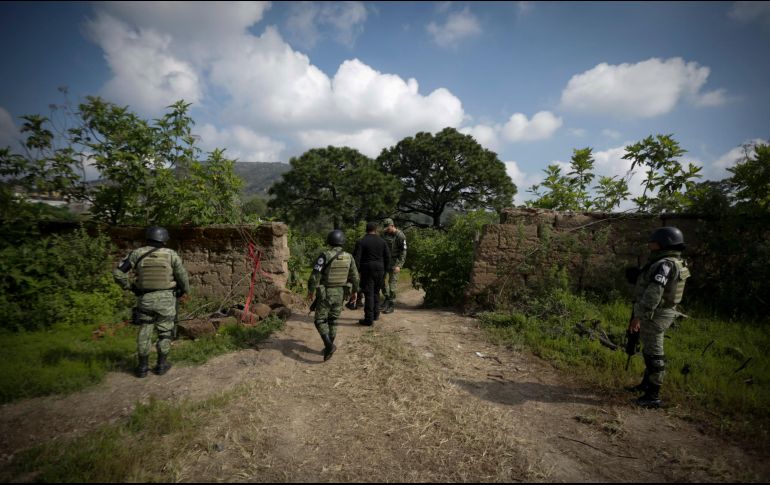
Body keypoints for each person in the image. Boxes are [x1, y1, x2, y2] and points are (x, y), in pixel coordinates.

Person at [626, 226, 691, 408]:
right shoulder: (673, 261)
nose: (650, 245)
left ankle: (653, 396)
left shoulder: (664, 264)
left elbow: (654, 293)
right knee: (649, 350)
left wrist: (638, 316)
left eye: (653, 242)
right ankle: (645, 385)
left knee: (654, 353)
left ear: (663, 244)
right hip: (660, 312)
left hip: (655, 314)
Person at [113, 226, 190, 378]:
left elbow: (118, 273)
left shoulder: (137, 253)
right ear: (164, 240)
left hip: (145, 300)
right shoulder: (171, 254)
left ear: (148, 238)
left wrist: (130, 287)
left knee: (145, 331)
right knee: (165, 332)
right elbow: (182, 276)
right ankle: (161, 365)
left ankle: (142, 368)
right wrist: (185, 290)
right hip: (166, 300)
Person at [307, 229, 360, 361]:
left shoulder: (325, 255)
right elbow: (355, 277)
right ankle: (329, 347)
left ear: (330, 241)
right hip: (341, 293)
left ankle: (329, 345)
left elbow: (315, 276)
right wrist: (355, 292)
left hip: (326, 294)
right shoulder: (349, 257)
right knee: (333, 319)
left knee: (319, 320)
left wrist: (310, 291)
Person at [353, 221, 391, 326]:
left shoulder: (361, 241)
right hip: (380, 269)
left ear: (366, 230)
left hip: (367, 269)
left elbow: (357, 258)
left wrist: (357, 271)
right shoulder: (382, 242)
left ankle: (368, 319)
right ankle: (375, 315)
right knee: (376, 292)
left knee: (368, 293)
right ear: (376, 230)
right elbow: (388, 257)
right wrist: (385, 271)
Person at [380, 218, 407, 314]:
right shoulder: (384, 233)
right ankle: (387, 299)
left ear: (392, 225)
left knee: (392, 285)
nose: (387, 230)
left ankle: (391, 304)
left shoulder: (400, 235)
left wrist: (399, 265)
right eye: (385, 228)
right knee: (381, 282)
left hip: (395, 262)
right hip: (384, 262)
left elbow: (403, 252)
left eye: (388, 228)